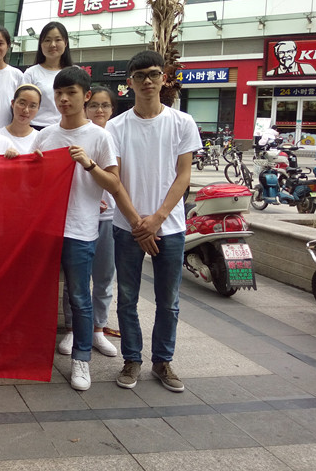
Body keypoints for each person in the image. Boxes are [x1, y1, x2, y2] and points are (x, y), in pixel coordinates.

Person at [32, 66, 141, 392]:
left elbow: (114, 183)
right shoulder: (45, 135)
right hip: (46, 229)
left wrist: (89, 164)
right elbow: (30, 182)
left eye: (71, 93)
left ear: (86, 96)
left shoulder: (99, 136)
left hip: (80, 229)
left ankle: (82, 359)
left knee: (80, 296)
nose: (64, 99)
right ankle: (33, 351)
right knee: (38, 294)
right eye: (59, 94)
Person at [106, 50, 201, 393]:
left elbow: (183, 176)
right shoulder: (116, 127)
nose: (148, 81)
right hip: (127, 226)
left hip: (170, 227)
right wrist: (138, 223)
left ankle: (162, 361)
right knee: (127, 297)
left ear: (164, 78)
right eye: (140, 75)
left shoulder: (182, 123)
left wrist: (157, 219)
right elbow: (114, 179)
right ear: (129, 82)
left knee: (168, 300)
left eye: (154, 74)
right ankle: (132, 358)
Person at [58, 86, 120, 358]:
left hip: (106, 217)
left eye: (105, 105)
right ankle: (73, 329)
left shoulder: (108, 137)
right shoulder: (61, 135)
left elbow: (116, 181)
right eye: (94, 105)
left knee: (104, 276)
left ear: (112, 109)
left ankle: (98, 329)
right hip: (74, 219)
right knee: (75, 282)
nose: (99, 110)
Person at [23, 21, 72, 130]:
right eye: (47, 40)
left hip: (66, 128)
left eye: (58, 40)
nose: (53, 45)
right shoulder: (31, 73)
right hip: (36, 128)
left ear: (65, 43)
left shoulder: (74, 73)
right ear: (41, 44)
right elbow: (22, 105)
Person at [0, 84, 42, 154]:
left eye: (32, 106)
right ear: (13, 103)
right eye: (22, 103)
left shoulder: (40, 138)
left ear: (38, 109)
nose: (26, 110)